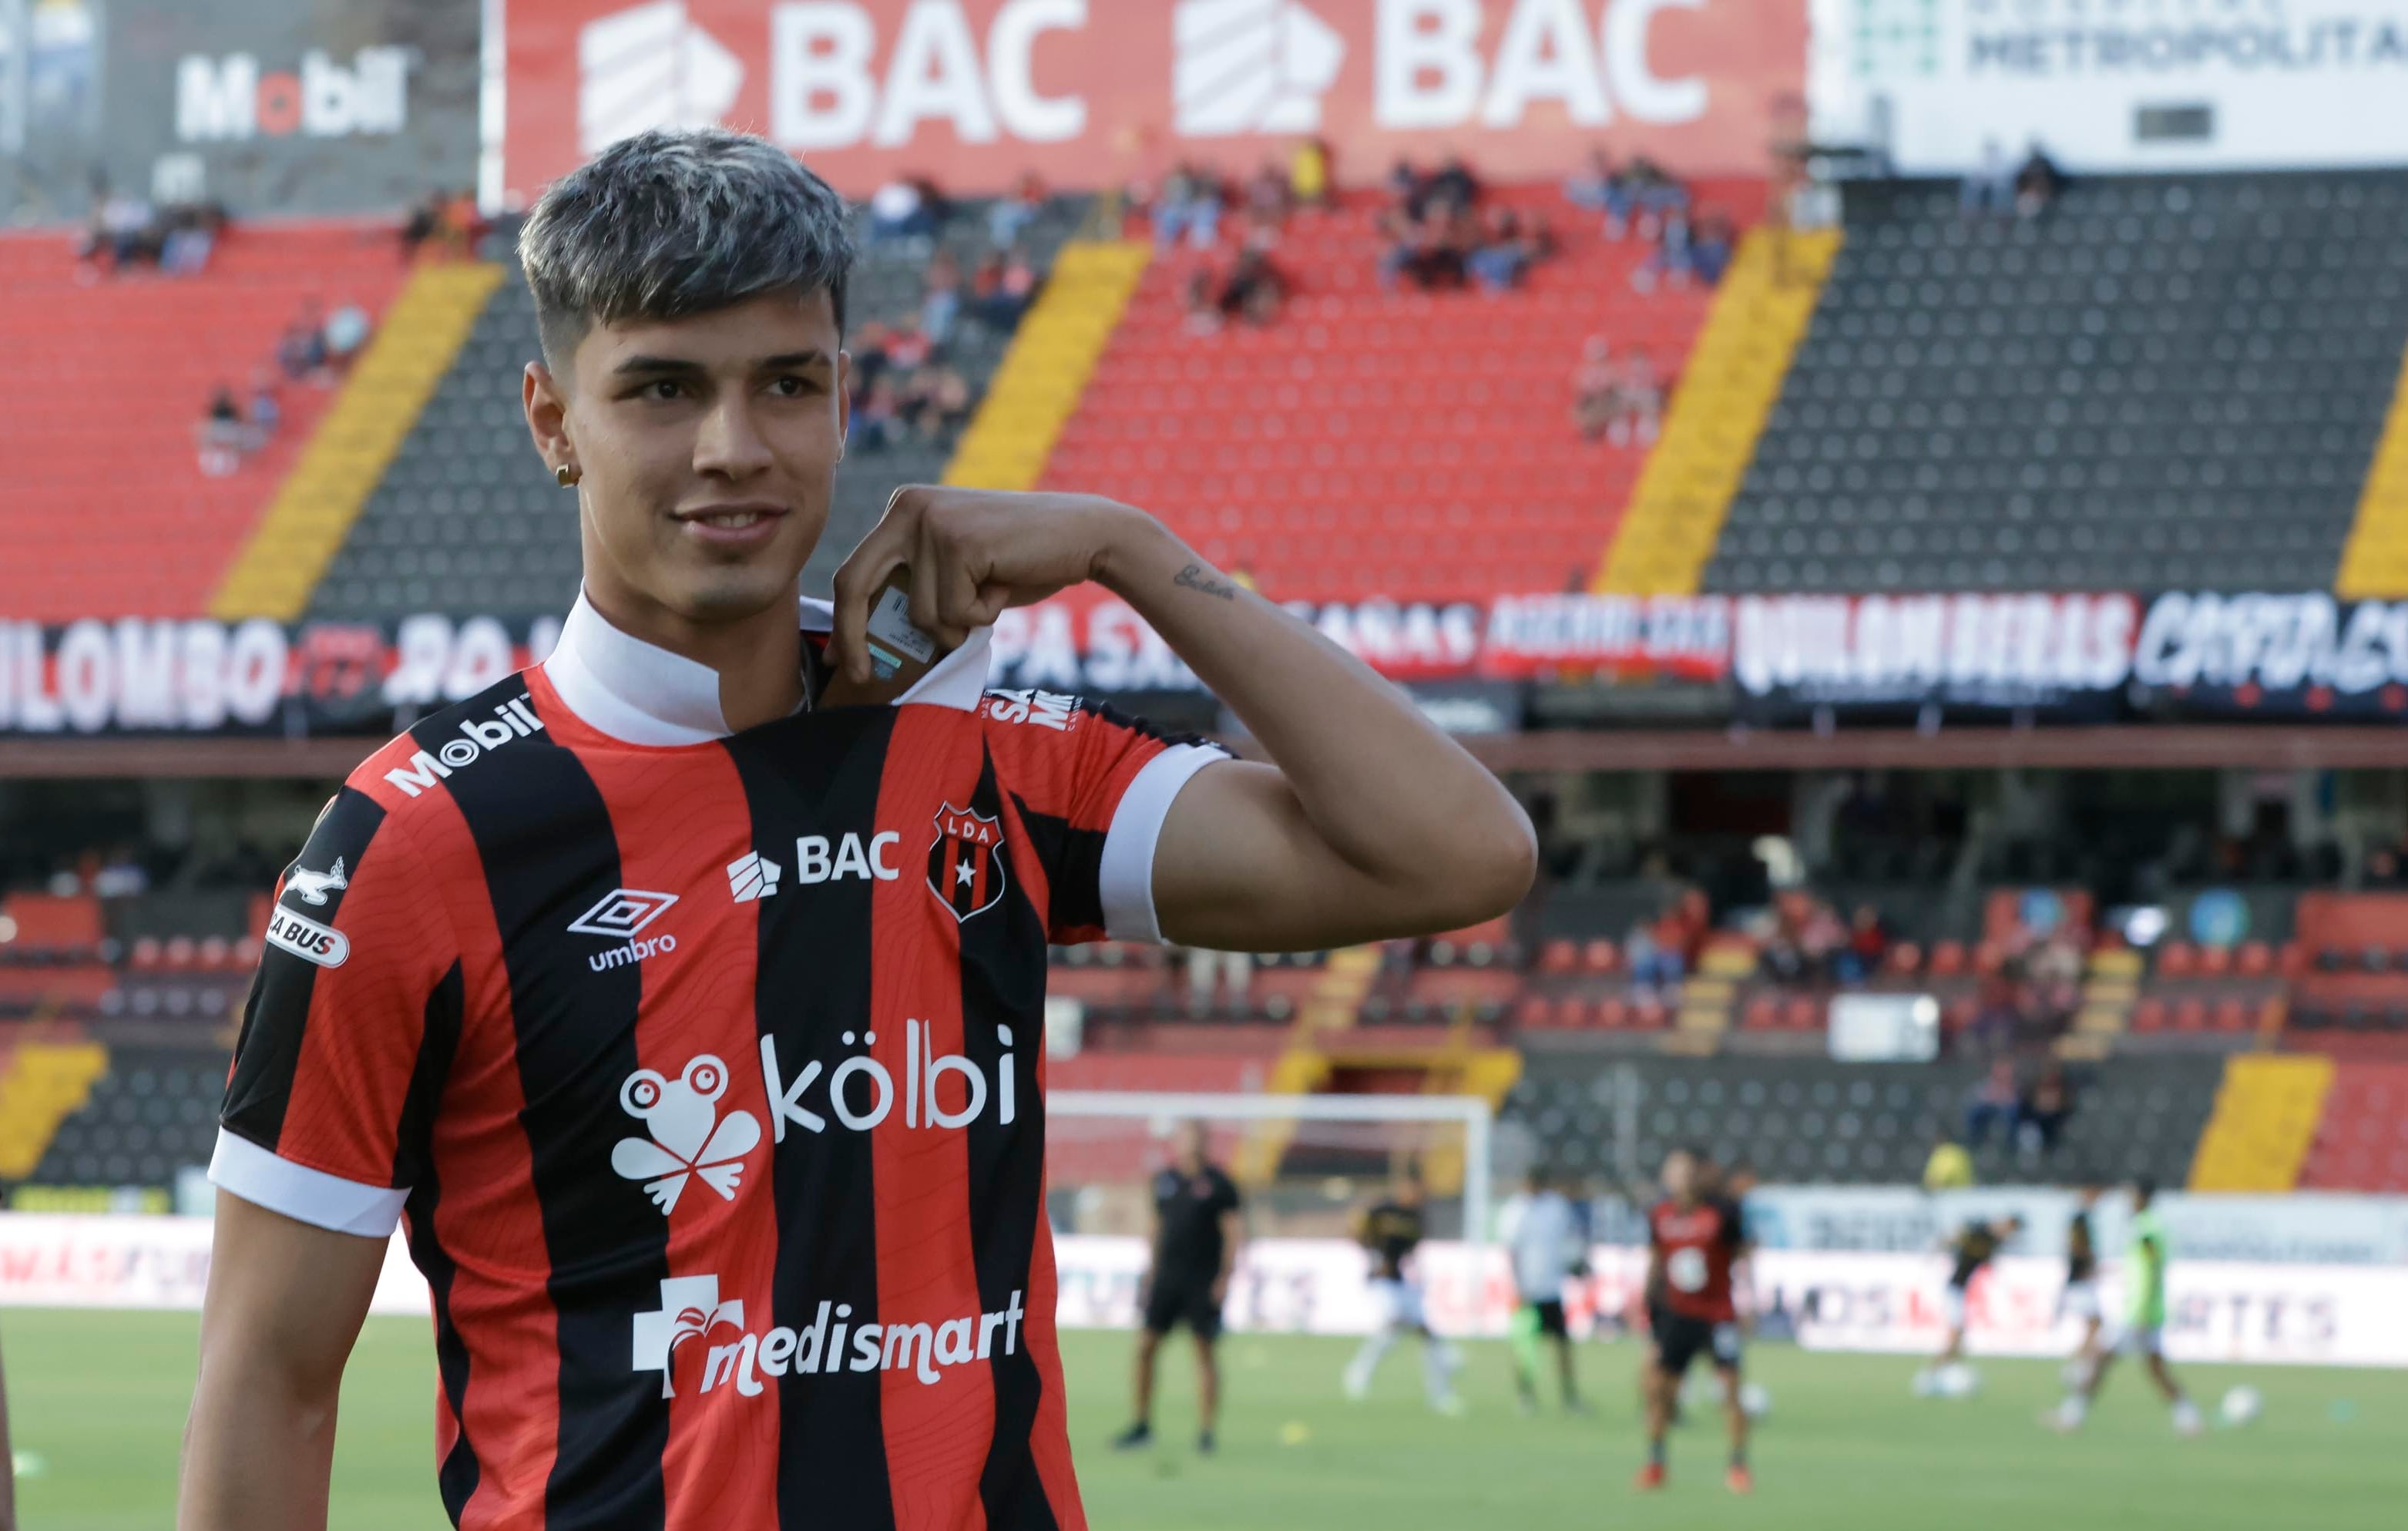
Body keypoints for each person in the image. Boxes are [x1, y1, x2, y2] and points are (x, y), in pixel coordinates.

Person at [177, 126, 1534, 1529]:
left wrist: (1131, 549)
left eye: (785, 382)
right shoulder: (413, 841)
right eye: (661, 388)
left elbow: (1458, 852)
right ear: (550, 422)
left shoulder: (986, 758)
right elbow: (270, 1376)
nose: (733, 448)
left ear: (845, 401)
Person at [1114, 1123, 1243, 1455]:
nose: (1190, 1145)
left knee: (1204, 1352)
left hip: (1202, 1280)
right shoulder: (1165, 1181)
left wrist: (1225, 1278)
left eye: (1196, 1138)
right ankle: (1142, 1425)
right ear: (1177, 1143)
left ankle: (1206, 1432)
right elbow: (1156, 1228)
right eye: (1185, 1139)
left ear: (1206, 1141)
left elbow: (1232, 1233)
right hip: (1166, 1280)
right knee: (1145, 1347)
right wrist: (1150, 1272)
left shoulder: (1220, 1184)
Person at [1636, 1147, 1751, 1493]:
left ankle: (1737, 1467)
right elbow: (1656, 1261)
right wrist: (1646, 1304)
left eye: (1685, 1169)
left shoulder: (1722, 1213)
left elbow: (1742, 1255)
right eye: (1673, 1170)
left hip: (1718, 1316)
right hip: (1676, 1315)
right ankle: (1656, 1465)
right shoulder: (1659, 1215)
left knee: (1730, 1391)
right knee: (1659, 1391)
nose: (1679, 1176)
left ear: (1698, 1174)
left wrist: (1748, 1300)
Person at [2052, 1180, 2203, 1436]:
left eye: (2132, 1196)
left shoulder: (2147, 1229)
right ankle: (2188, 1416)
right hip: (2145, 1311)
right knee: (2155, 1368)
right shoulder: (2148, 1226)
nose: (2128, 1201)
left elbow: (2152, 1268)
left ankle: (2072, 1415)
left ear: (2142, 1198)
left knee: (2100, 1359)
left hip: (2138, 1313)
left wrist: (2143, 1309)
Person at [1342, 1170, 1464, 1413]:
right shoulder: (1382, 1209)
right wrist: (1373, 1255)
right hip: (1380, 1282)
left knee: (1410, 1332)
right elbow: (1356, 1229)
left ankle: (1439, 1393)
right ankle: (1447, 1359)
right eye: (1416, 1189)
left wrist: (1417, 1277)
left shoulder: (1417, 1218)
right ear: (1405, 1187)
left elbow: (1413, 1252)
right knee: (1400, 1321)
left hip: (1402, 1283)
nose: (1419, 1195)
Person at [1499, 1167, 1586, 1414]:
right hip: (1526, 1290)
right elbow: (1511, 1251)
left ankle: (1569, 1396)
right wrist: (1517, 1285)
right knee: (1525, 1347)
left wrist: (1574, 1263)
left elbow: (1568, 1239)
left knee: (1562, 1344)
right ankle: (1525, 1396)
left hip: (1551, 1287)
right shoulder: (1515, 1211)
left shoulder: (1556, 1207)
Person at [1916, 1214, 2023, 1396]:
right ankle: (1929, 1376)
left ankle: (1947, 1371)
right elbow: (1956, 1238)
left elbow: (1987, 1264)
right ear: (2007, 1224)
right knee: (1955, 1335)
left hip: (1960, 1290)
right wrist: (1938, 1249)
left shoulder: (1993, 1243)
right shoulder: (1980, 1230)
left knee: (1960, 1336)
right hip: (1954, 1289)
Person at [2058, 1187, 2106, 1386]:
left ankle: (2080, 1364)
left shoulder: (2082, 1219)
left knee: (2094, 1325)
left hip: (2080, 1281)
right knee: (2095, 1324)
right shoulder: (2080, 1220)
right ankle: (2077, 1367)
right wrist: (2088, 1264)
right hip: (2079, 1282)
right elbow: (2075, 1247)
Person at [196, 383, 245, 477]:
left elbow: (238, 420)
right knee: (205, 437)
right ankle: (209, 465)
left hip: (229, 430)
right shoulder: (214, 407)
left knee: (233, 443)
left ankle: (231, 464)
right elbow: (210, 419)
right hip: (217, 430)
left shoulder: (231, 407)